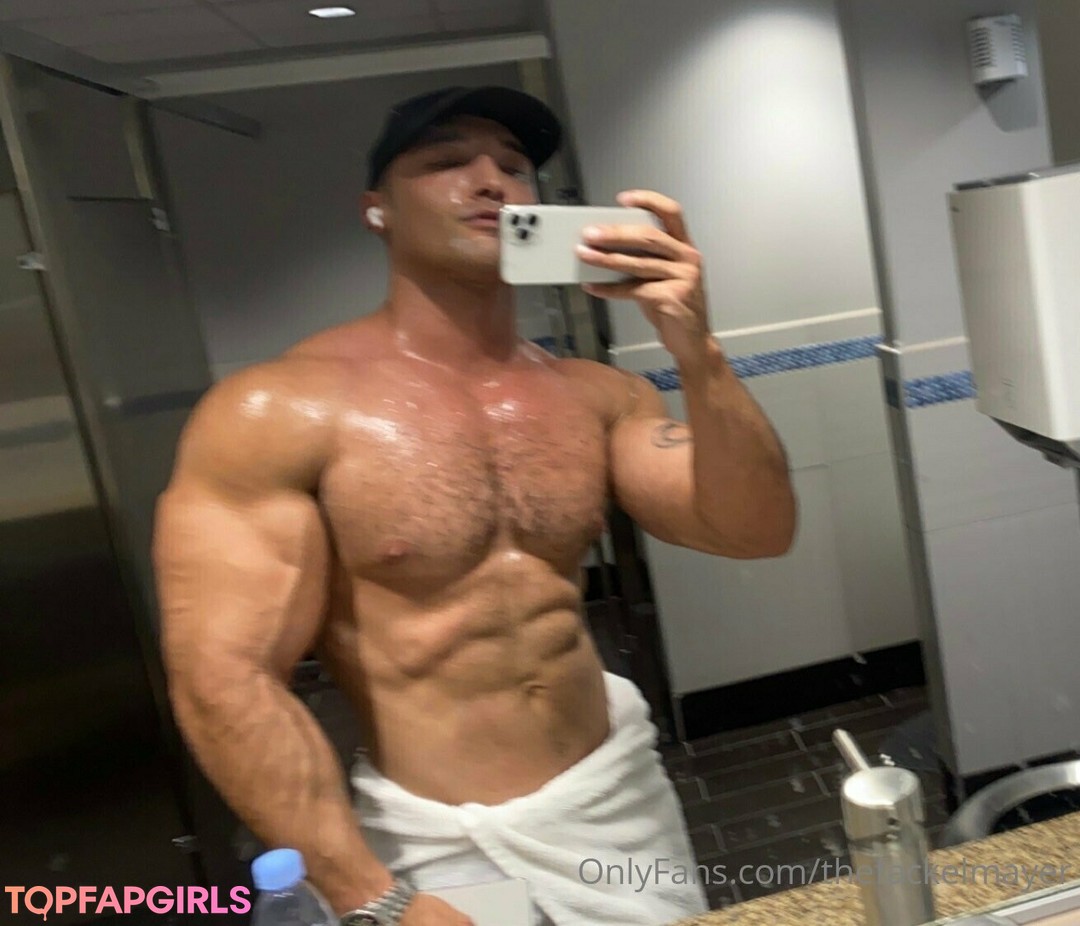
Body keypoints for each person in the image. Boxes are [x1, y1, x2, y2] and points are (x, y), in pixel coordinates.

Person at [153, 85, 796, 926]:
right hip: (436, 840)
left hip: (613, 802)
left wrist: (697, 351)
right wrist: (370, 895)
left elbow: (754, 531)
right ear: (377, 210)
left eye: (515, 167)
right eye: (447, 160)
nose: (491, 180)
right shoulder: (277, 410)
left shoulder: (597, 395)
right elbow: (224, 678)